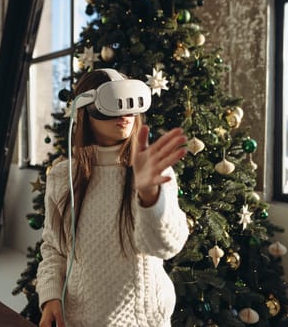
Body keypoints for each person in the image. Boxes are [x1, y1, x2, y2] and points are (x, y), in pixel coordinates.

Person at [36, 69, 189, 327]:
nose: (125, 114)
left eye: (130, 104)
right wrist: (51, 295)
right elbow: (54, 247)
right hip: (80, 320)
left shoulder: (154, 170)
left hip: (144, 322)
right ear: (85, 111)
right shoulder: (63, 176)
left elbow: (166, 247)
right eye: (112, 104)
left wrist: (150, 195)